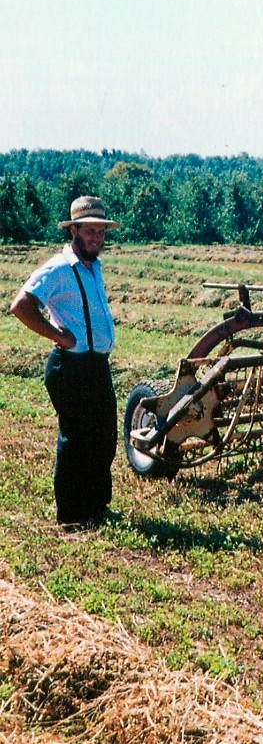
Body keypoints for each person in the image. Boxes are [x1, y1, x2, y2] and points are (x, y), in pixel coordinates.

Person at [9, 196, 119, 531]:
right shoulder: (59, 267)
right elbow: (21, 306)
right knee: (76, 440)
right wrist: (58, 335)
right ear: (73, 230)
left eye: (100, 232)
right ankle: (72, 517)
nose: (96, 238)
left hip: (96, 365)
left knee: (104, 437)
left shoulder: (93, 266)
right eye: (89, 231)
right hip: (70, 367)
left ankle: (96, 507)